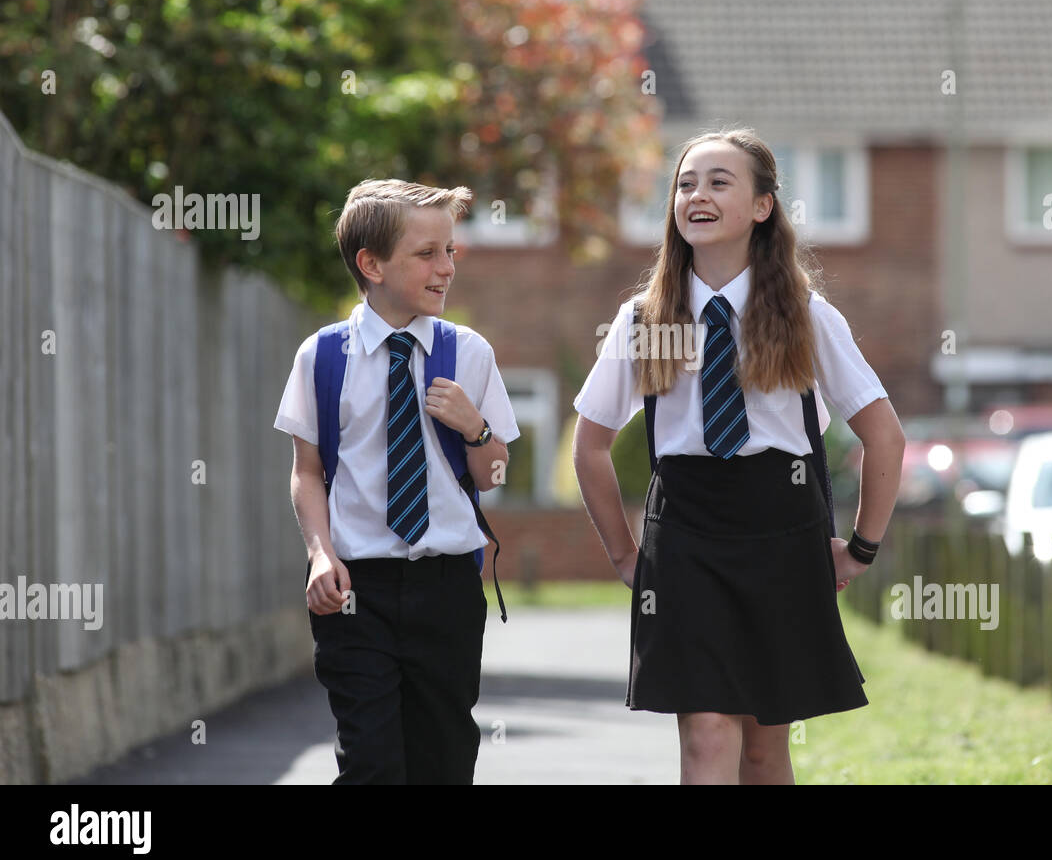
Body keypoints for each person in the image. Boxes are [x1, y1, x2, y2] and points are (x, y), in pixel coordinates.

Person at [572, 128, 905, 785]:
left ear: (762, 206)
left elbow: (885, 437)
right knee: (706, 732)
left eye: (719, 182)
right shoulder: (643, 319)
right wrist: (623, 553)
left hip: (783, 528)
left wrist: (860, 548)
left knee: (762, 748)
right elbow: (590, 444)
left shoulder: (808, 316)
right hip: (685, 532)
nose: (697, 194)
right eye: (686, 183)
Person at [273, 178, 519, 784]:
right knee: (372, 763)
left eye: (450, 251)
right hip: (357, 588)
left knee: (443, 762)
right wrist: (319, 556)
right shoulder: (323, 357)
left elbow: (493, 473)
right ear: (371, 263)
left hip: (448, 588)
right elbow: (307, 472)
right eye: (427, 253)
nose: (446, 267)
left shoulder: (469, 353)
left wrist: (476, 427)